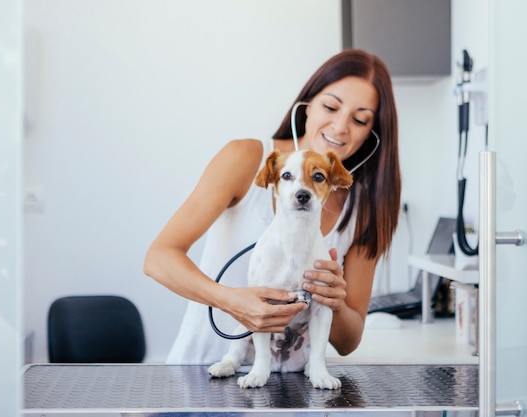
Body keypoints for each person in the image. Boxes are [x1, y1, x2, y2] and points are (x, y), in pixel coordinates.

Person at [143, 49, 402, 364]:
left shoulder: (362, 209)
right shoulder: (246, 159)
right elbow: (158, 258)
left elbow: (349, 341)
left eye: (359, 119)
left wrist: (335, 304)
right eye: (330, 107)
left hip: (291, 396)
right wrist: (232, 301)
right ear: (305, 107)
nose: (340, 127)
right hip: (203, 374)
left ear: (371, 134)